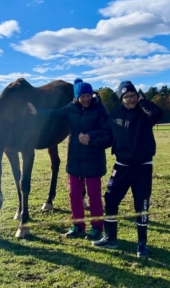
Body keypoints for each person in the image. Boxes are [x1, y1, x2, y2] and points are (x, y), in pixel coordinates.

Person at [28, 78, 113, 241]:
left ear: (92, 95)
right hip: (75, 158)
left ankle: (97, 227)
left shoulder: (100, 110)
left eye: (88, 95)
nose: (86, 98)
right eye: (82, 96)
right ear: (77, 97)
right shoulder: (71, 108)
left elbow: (108, 134)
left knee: (94, 195)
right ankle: (78, 226)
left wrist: (90, 137)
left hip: (93, 158)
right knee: (74, 194)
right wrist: (37, 112)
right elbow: (55, 113)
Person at [92, 80, 163, 258]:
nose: (130, 99)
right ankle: (110, 238)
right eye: (126, 97)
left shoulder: (145, 113)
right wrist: (90, 140)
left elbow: (158, 113)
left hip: (143, 167)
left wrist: (142, 101)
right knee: (110, 199)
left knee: (142, 204)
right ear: (121, 99)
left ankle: (142, 245)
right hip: (121, 166)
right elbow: (107, 138)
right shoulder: (114, 116)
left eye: (133, 95)